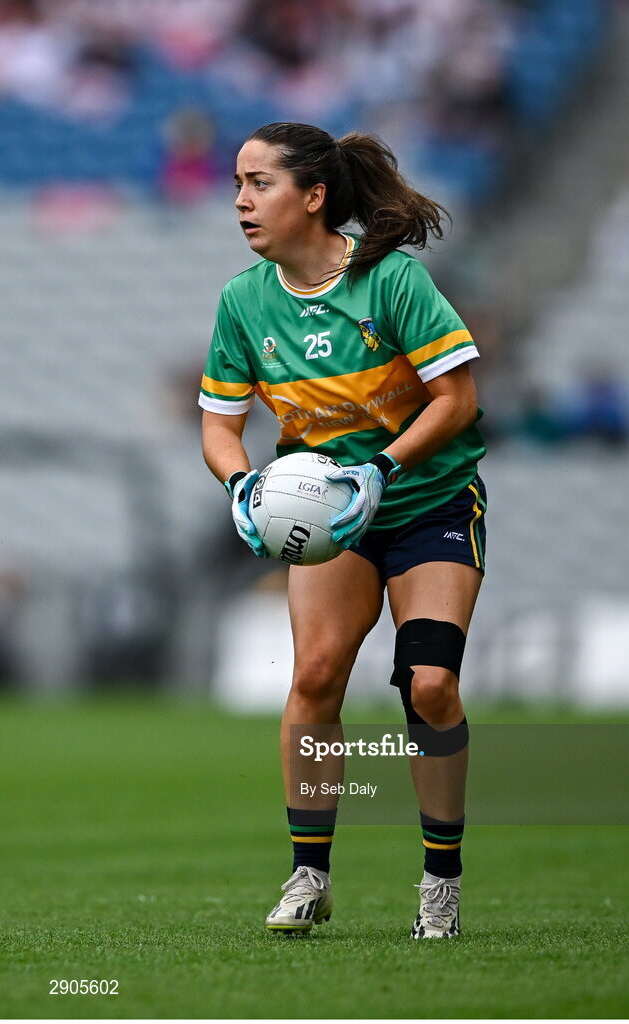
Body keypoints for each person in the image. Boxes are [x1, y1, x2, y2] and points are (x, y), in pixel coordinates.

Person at [200, 122, 487, 939]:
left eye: (259, 183)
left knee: (428, 686)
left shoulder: (390, 281)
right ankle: (309, 875)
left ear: (315, 196)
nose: (241, 201)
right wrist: (244, 485)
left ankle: (440, 883)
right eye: (237, 183)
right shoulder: (242, 301)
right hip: (330, 523)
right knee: (316, 676)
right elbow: (220, 428)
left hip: (427, 500)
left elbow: (457, 400)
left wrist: (380, 470)